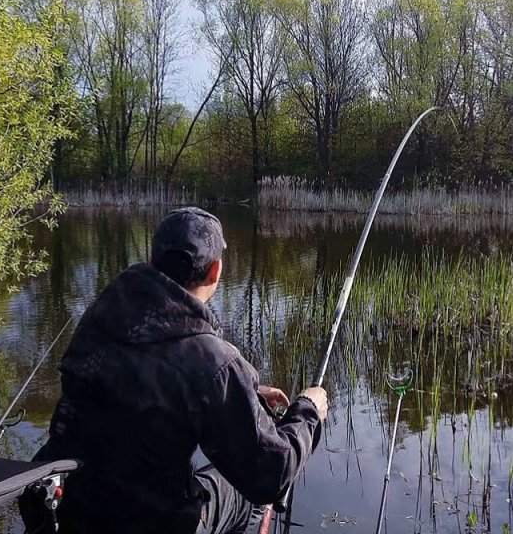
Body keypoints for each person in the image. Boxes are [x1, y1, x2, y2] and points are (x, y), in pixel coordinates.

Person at [22, 207, 328, 534]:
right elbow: (270, 475)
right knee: (248, 492)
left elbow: (144, 390)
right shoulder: (211, 359)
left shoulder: (103, 316)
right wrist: (309, 411)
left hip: (69, 510)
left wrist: (243, 392)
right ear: (215, 271)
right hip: (153, 524)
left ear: (152, 262)